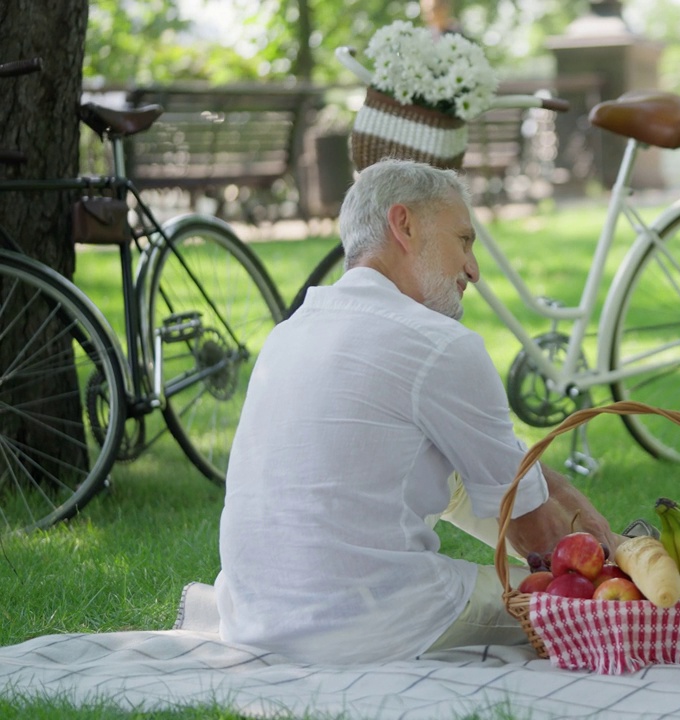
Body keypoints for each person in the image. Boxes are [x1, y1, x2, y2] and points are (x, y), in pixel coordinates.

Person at [214, 159, 618, 665]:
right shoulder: (438, 344)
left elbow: (506, 471)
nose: (473, 269)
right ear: (403, 225)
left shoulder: (290, 332)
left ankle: (624, 548)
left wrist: (560, 499)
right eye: (464, 241)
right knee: (590, 604)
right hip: (364, 624)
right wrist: (601, 568)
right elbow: (533, 530)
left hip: (253, 617)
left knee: (463, 476)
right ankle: (639, 567)